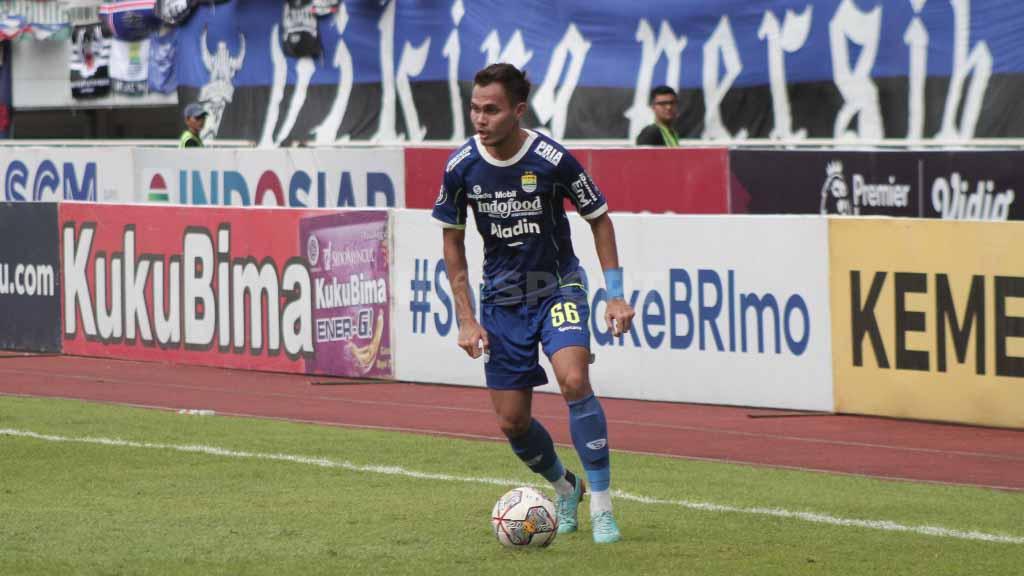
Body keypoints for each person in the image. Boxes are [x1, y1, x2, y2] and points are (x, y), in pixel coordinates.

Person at [432, 63, 635, 544]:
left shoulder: (551, 159)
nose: (480, 119)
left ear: (517, 111)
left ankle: (603, 507)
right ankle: (567, 487)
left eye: (492, 109)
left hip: (558, 286)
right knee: (512, 421)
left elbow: (599, 218)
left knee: (574, 378)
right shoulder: (461, 167)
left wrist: (616, 292)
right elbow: (453, 242)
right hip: (502, 302)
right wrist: (466, 318)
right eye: (475, 109)